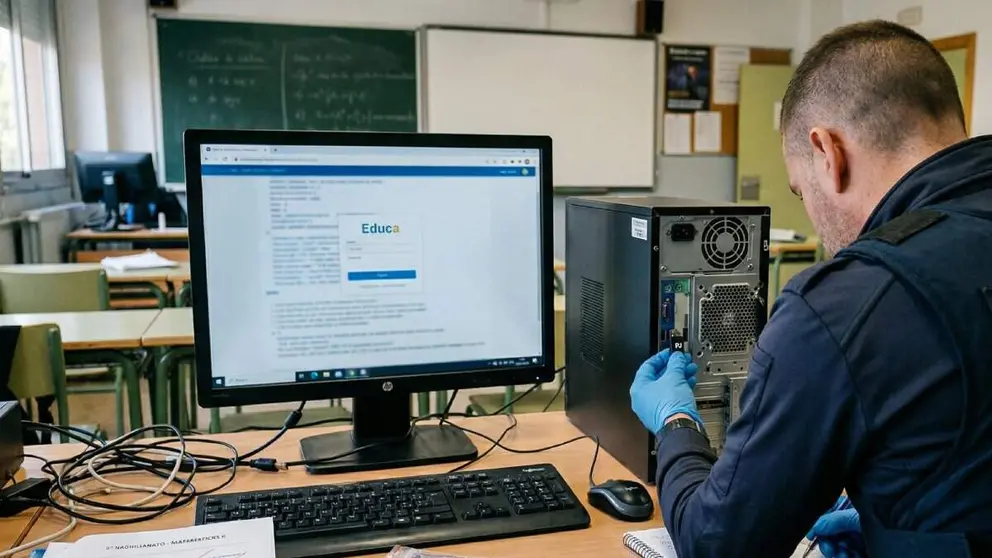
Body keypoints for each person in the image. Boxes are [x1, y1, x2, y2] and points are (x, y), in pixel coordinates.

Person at [630, 20, 992, 558]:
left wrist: (678, 425)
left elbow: (718, 543)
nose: (823, 237)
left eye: (801, 191)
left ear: (827, 151)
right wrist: (895, 522)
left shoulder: (844, 303)